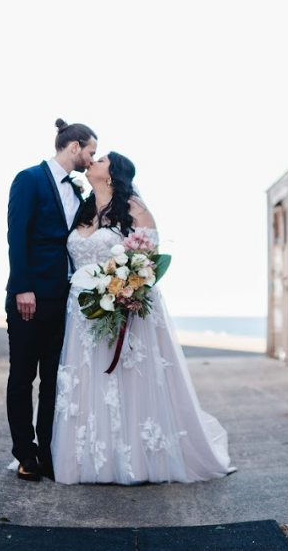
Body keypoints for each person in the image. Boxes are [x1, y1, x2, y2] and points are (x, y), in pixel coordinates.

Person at [51, 151, 234, 484]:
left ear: (112, 174)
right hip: (81, 312)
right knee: (87, 380)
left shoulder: (134, 209)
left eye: (101, 159)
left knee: (128, 379)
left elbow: (147, 262)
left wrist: (121, 292)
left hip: (123, 306)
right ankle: (89, 459)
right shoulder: (83, 206)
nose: (92, 160)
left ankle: (135, 458)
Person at [6, 119, 97, 481]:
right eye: (90, 152)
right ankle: (25, 454)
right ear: (74, 146)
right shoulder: (28, 179)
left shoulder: (76, 192)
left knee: (54, 382)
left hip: (63, 301)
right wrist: (23, 288)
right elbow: (17, 235)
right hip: (30, 298)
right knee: (22, 378)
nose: (92, 160)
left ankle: (47, 452)